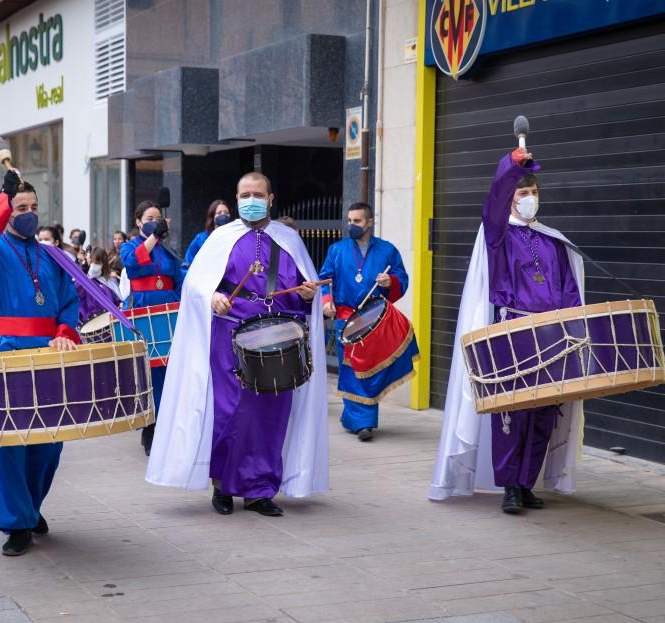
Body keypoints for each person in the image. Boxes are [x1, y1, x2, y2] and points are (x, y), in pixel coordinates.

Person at [145, 172, 329, 516]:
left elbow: (301, 291)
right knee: (230, 411)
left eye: (257, 194)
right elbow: (195, 284)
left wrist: (307, 295)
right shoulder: (221, 238)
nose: (251, 201)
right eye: (245, 195)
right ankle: (223, 486)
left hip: (276, 337)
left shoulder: (288, 239)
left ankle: (259, 490)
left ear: (270, 199)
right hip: (229, 336)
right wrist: (212, 296)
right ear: (237, 198)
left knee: (270, 415)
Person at [430, 145, 585, 513]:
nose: (529, 198)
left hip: (553, 336)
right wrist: (511, 167)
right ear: (511, 198)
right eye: (522, 192)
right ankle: (510, 487)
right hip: (513, 333)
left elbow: (569, 289)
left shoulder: (553, 239)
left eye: (534, 192)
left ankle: (527, 482)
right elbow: (494, 203)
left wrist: (573, 328)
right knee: (511, 414)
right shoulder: (498, 236)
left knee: (545, 412)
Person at [0, 170, 81, 556]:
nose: (28, 213)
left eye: (33, 207)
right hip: (8, 353)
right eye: (20, 207)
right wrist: (3, 196)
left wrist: (65, 332)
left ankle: (30, 507)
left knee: (49, 441)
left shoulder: (53, 256)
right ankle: (16, 524)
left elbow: (69, 302)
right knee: (9, 441)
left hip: (49, 355)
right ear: (7, 211)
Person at [319, 203, 415, 441]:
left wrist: (390, 281)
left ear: (370, 222)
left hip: (374, 320)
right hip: (345, 319)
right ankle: (363, 422)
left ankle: (354, 418)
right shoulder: (336, 250)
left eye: (357, 221)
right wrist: (327, 301)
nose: (351, 225)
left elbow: (402, 278)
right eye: (349, 220)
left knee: (369, 370)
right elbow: (325, 279)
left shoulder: (387, 250)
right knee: (350, 369)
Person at [121, 201, 183, 455]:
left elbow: (178, 278)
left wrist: (178, 303)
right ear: (138, 222)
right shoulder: (130, 246)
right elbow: (132, 263)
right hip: (143, 313)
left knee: (169, 368)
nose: (155, 222)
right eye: (149, 218)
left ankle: (168, 425)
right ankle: (150, 426)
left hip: (167, 312)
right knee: (149, 370)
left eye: (158, 218)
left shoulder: (166, 250)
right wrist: (154, 236)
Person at [184, 200, 231, 268]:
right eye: (219, 213)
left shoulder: (235, 237)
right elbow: (187, 263)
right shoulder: (201, 239)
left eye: (226, 213)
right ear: (212, 216)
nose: (223, 215)